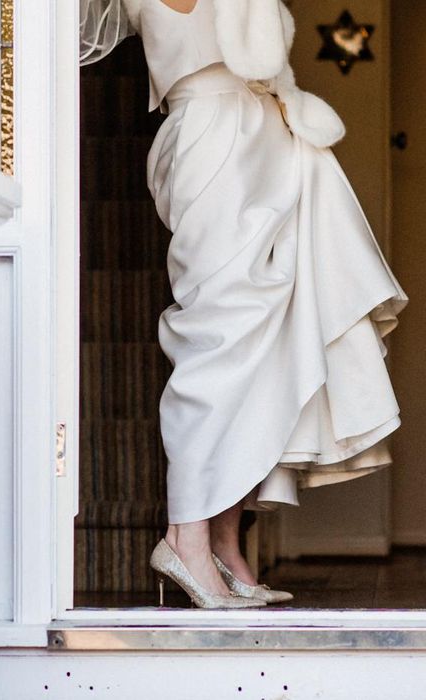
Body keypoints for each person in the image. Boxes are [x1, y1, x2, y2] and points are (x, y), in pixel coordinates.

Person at [80, 0, 408, 609]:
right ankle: (186, 535)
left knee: (266, 346)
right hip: (211, 136)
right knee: (219, 342)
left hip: (266, 136)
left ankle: (226, 547)